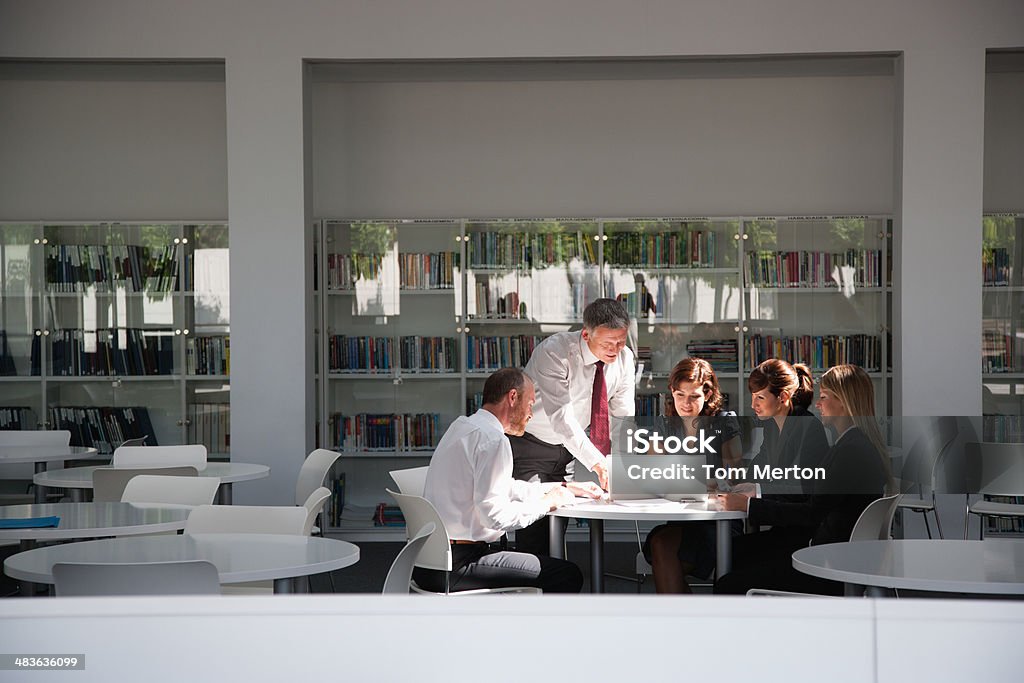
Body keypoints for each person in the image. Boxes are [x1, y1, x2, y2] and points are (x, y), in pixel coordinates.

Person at [416, 367, 602, 593]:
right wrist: (546, 504)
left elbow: (503, 487)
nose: (531, 414)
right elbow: (495, 517)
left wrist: (561, 487)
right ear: (513, 397)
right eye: (531, 404)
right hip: (458, 564)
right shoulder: (493, 440)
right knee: (566, 574)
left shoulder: (463, 427)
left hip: (429, 561)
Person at [714, 364, 892, 595]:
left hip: (826, 563)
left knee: (728, 583)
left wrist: (749, 504)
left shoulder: (850, 451)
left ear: (844, 402)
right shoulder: (854, 444)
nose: (817, 404)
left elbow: (810, 513)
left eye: (824, 397)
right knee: (734, 555)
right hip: (834, 555)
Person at [509, 298, 636, 556]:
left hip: (568, 451)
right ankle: (530, 587)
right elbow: (561, 418)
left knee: (558, 525)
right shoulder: (555, 351)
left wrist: (621, 464)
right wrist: (599, 464)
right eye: (607, 343)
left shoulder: (624, 359)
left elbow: (622, 417)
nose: (615, 350)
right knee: (536, 525)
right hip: (532, 445)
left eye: (621, 341)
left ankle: (556, 585)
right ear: (586, 334)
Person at [643, 357, 744, 593]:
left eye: (694, 396)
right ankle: (686, 619)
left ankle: (680, 620)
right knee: (661, 545)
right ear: (672, 392)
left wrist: (713, 481)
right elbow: (649, 472)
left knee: (664, 551)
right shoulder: (666, 423)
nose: (685, 404)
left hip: (717, 522)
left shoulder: (723, 421)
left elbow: (735, 476)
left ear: (707, 394)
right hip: (681, 518)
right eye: (680, 395)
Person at [745, 358, 830, 493]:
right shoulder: (771, 426)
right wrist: (734, 484)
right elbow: (760, 467)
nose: (753, 405)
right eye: (753, 396)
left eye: (760, 398)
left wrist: (758, 490)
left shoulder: (809, 426)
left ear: (783, 397)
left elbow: (804, 489)